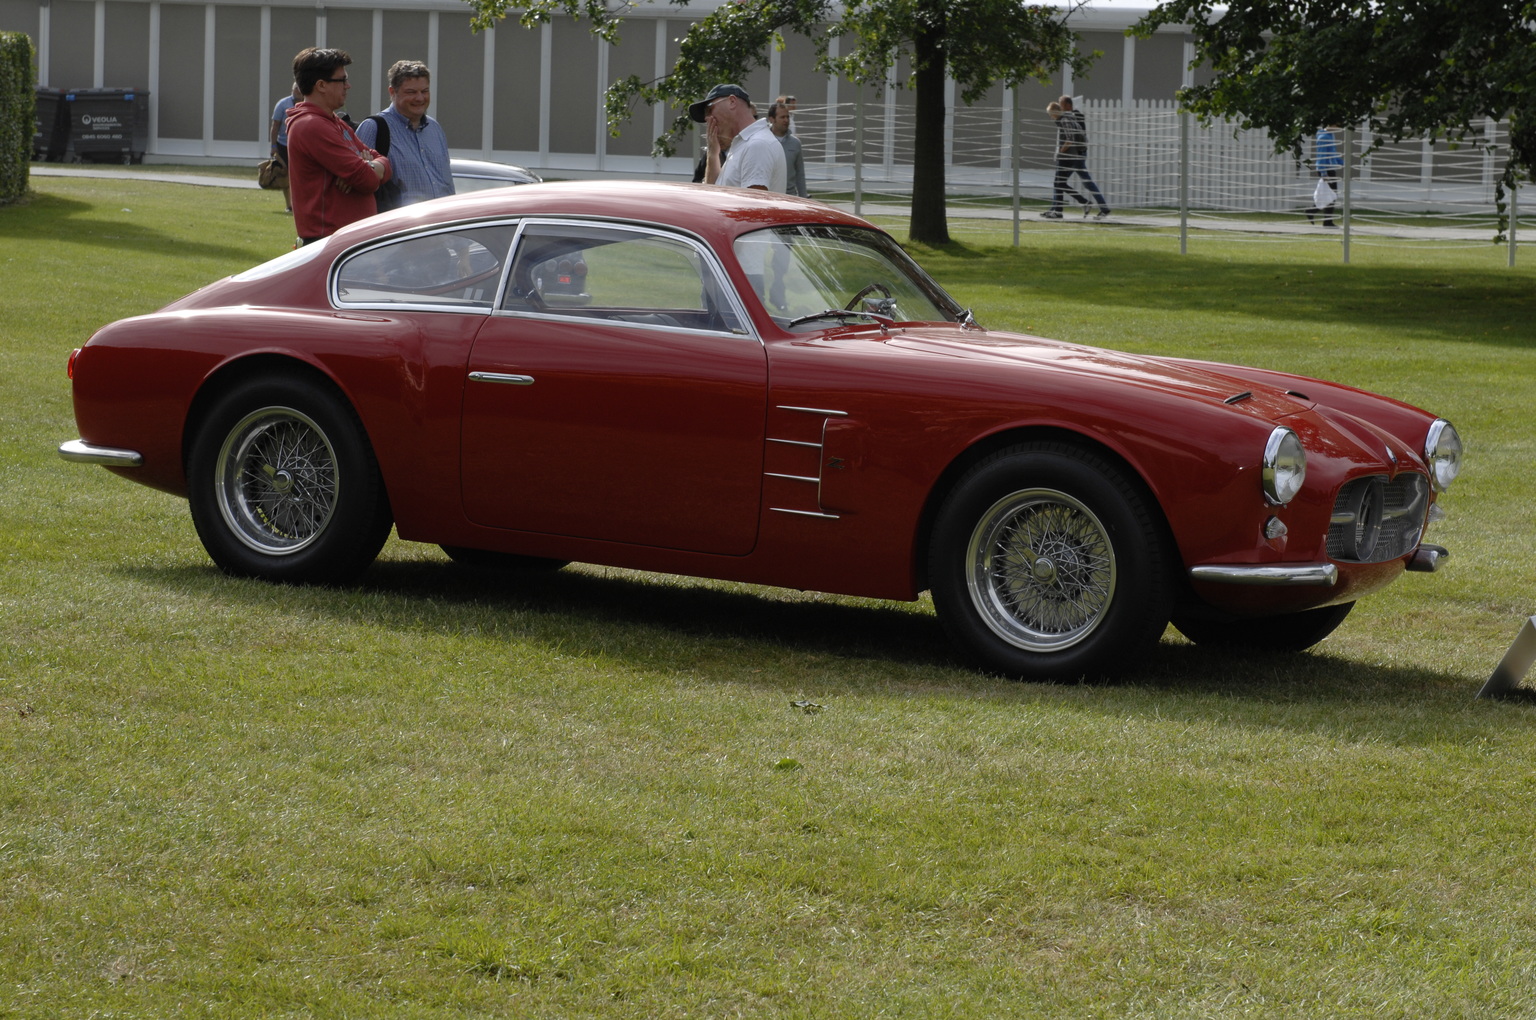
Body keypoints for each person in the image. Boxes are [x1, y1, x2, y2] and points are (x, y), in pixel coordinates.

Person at [285, 47, 393, 244]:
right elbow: (367, 181)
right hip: (330, 243)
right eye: (342, 80)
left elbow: (385, 164)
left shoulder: (334, 122)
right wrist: (364, 167)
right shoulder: (311, 125)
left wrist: (364, 166)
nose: (348, 86)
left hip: (347, 240)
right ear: (321, 85)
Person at [355, 59, 454, 208]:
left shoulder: (434, 129)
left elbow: (447, 183)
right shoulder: (374, 128)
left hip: (441, 225)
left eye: (424, 91)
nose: (420, 98)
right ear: (392, 92)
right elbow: (357, 183)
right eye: (411, 92)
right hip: (400, 227)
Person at [689, 83, 785, 192]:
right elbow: (712, 194)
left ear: (732, 102)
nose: (707, 118)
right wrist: (712, 153)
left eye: (709, 109)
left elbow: (753, 206)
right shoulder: (742, 144)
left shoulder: (757, 144)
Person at [1042, 95, 1110, 220]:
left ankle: (1097, 206)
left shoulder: (1072, 116)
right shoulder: (1065, 117)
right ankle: (1056, 209)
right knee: (1059, 182)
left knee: (1080, 183)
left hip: (1075, 154)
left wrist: (1062, 152)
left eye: (1061, 105)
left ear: (1068, 105)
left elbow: (1073, 138)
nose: (1060, 107)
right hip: (1072, 154)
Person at [268, 83, 300, 212]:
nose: (298, 91)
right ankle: (289, 205)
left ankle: (299, 205)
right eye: (296, 89)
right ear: (292, 90)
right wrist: (273, 146)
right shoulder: (283, 104)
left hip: (299, 146)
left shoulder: (308, 104)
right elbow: (275, 126)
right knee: (285, 176)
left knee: (298, 176)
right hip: (283, 145)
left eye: (300, 89)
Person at [768, 99, 807, 197]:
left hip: (790, 196)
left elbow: (800, 174)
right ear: (772, 119)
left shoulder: (795, 143)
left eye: (787, 117)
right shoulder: (763, 142)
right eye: (782, 117)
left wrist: (804, 198)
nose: (786, 120)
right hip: (768, 196)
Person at [1306, 126, 1342, 227]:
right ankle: (1326, 221)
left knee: (1331, 195)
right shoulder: (1324, 137)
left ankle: (1313, 211)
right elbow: (1322, 156)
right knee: (1332, 196)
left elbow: (1332, 153)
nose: (1339, 126)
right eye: (1337, 124)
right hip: (1326, 170)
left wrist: (1341, 162)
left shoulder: (1330, 135)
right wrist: (1324, 173)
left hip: (1330, 168)